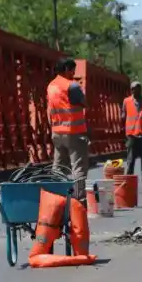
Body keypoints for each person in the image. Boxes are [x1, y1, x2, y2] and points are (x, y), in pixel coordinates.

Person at [47, 57, 90, 203]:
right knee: (78, 168)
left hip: (57, 132)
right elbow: (84, 102)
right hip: (74, 131)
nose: (73, 73)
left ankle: (55, 200)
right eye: (72, 70)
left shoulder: (51, 86)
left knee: (59, 168)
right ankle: (79, 200)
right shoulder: (72, 86)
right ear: (66, 70)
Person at [123, 81, 142, 188]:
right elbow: (123, 116)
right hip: (131, 135)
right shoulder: (126, 101)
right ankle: (128, 182)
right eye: (132, 88)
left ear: (140, 89)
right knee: (130, 160)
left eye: (136, 88)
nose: (134, 90)